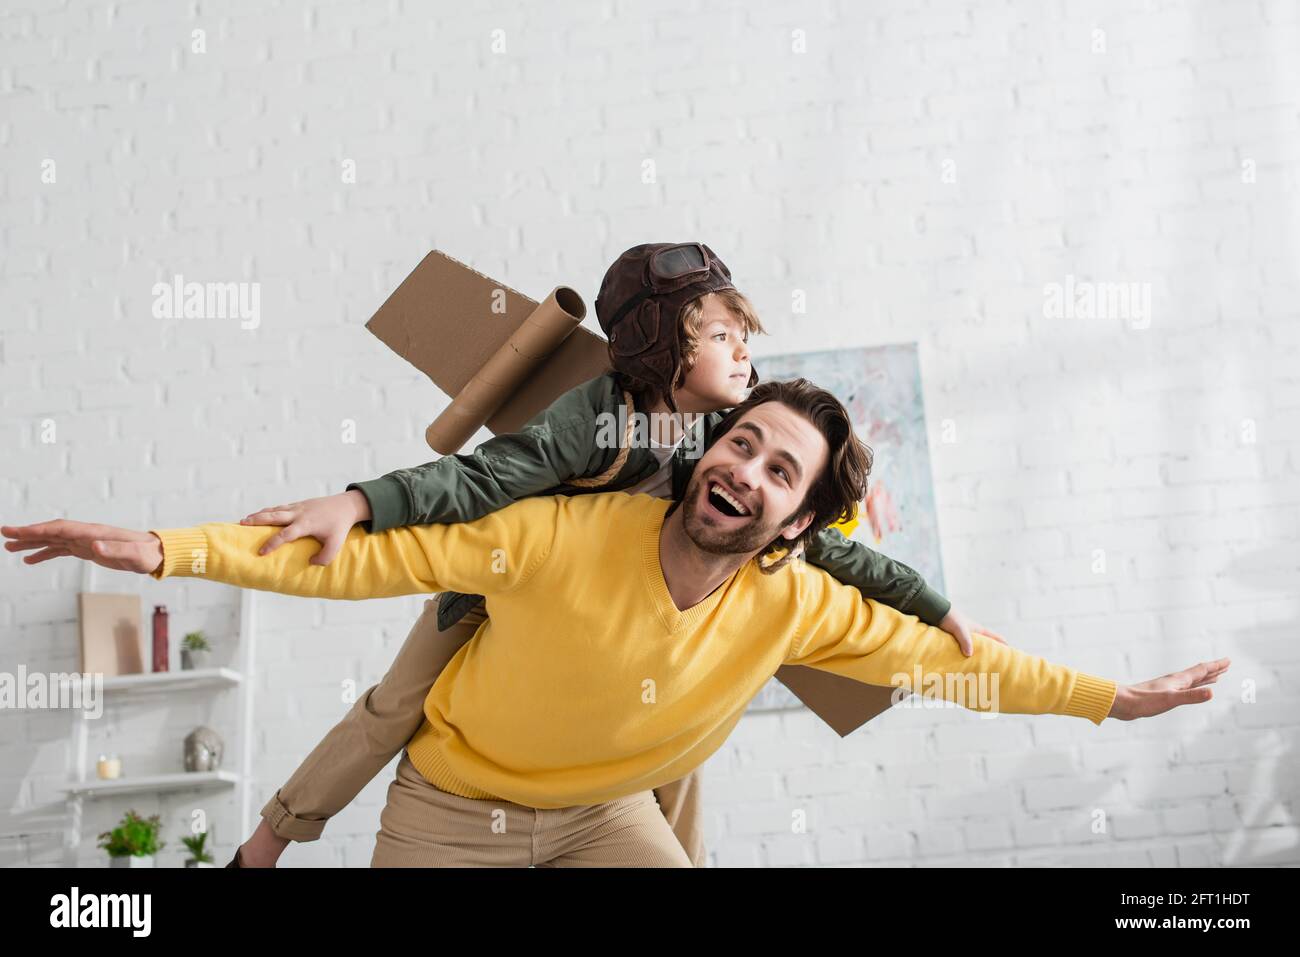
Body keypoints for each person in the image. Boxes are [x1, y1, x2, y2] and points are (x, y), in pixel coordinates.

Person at [3, 378, 1229, 867]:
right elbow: (370, 556)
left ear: (796, 523)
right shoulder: (561, 532)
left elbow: (965, 669)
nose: (745, 467)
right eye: (740, 441)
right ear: (707, 455)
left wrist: (1114, 700)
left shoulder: (795, 603)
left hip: (608, 816)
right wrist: (163, 548)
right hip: (454, 808)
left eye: (779, 469)